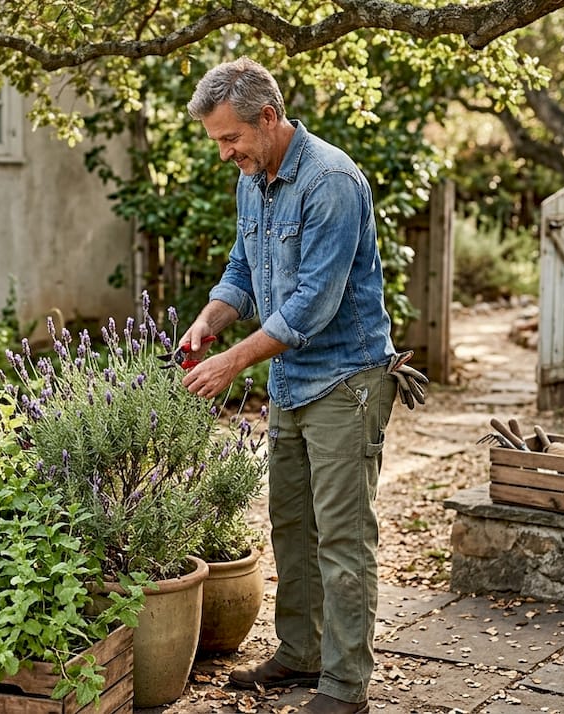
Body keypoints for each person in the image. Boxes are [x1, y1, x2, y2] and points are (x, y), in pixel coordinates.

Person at [177, 57, 427, 714]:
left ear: (268, 117)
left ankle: (346, 686)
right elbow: (242, 271)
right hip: (292, 383)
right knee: (290, 525)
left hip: (347, 382)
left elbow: (313, 306)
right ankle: (301, 652)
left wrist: (232, 363)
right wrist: (209, 319)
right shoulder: (252, 181)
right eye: (218, 142)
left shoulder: (332, 182)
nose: (225, 153)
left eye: (231, 138)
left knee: (344, 538)